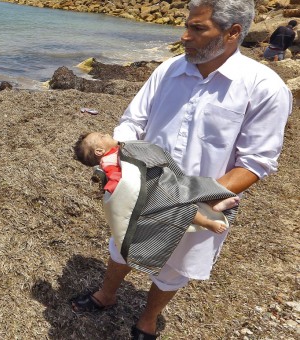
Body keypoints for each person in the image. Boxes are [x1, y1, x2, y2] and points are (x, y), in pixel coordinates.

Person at [69, 1, 292, 339]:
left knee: (177, 266)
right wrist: (115, 162)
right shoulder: (170, 70)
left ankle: (147, 320)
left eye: (198, 29)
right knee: (123, 244)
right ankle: (106, 295)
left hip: (203, 198)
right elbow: (134, 121)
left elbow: (255, 162)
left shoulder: (264, 87)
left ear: (233, 33)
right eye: (187, 25)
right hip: (142, 186)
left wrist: (201, 200)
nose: (184, 35)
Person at [73, 132, 239, 234]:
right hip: (150, 191)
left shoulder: (117, 151)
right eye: (102, 136)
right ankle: (208, 222)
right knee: (180, 205)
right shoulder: (108, 162)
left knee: (188, 186)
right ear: (99, 151)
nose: (106, 134)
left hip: (157, 179)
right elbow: (118, 184)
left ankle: (213, 200)